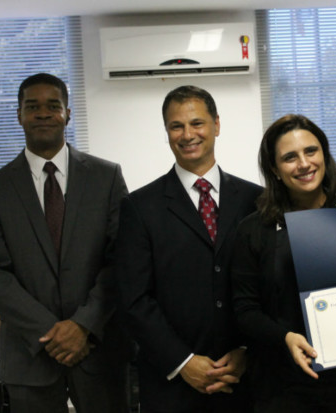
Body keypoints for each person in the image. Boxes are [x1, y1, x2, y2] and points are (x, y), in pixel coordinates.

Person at [0, 73, 130, 412]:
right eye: (32, 106)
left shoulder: (106, 178)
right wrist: (51, 332)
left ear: (67, 114)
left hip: (98, 350)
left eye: (53, 106)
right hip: (29, 357)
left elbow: (121, 260)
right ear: (19, 115)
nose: (43, 113)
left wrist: (83, 325)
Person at [115, 85, 262, 413]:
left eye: (197, 123)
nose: (187, 134)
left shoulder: (256, 200)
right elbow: (134, 300)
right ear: (166, 132)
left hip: (245, 382)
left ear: (216, 125)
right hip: (171, 388)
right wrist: (182, 362)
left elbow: (269, 289)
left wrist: (247, 351)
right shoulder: (139, 207)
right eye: (176, 126)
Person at [230, 114, 336, 413]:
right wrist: (285, 337)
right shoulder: (253, 230)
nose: (304, 163)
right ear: (274, 169)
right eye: (290, 157)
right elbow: (245, 310)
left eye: (311, 151)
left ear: (324, 155)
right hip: (280, 384)